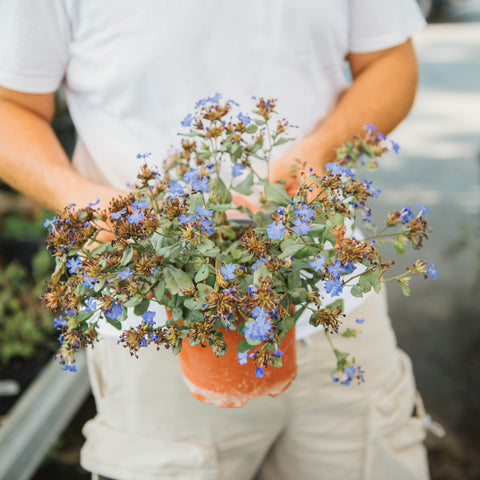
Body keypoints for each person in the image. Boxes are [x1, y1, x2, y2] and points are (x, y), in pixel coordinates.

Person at [0, 1, 432, 479]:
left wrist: (321, 151)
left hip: (332, 294)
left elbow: (391, 61)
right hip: (160, 318)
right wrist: (78, 199)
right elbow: (9, 105)